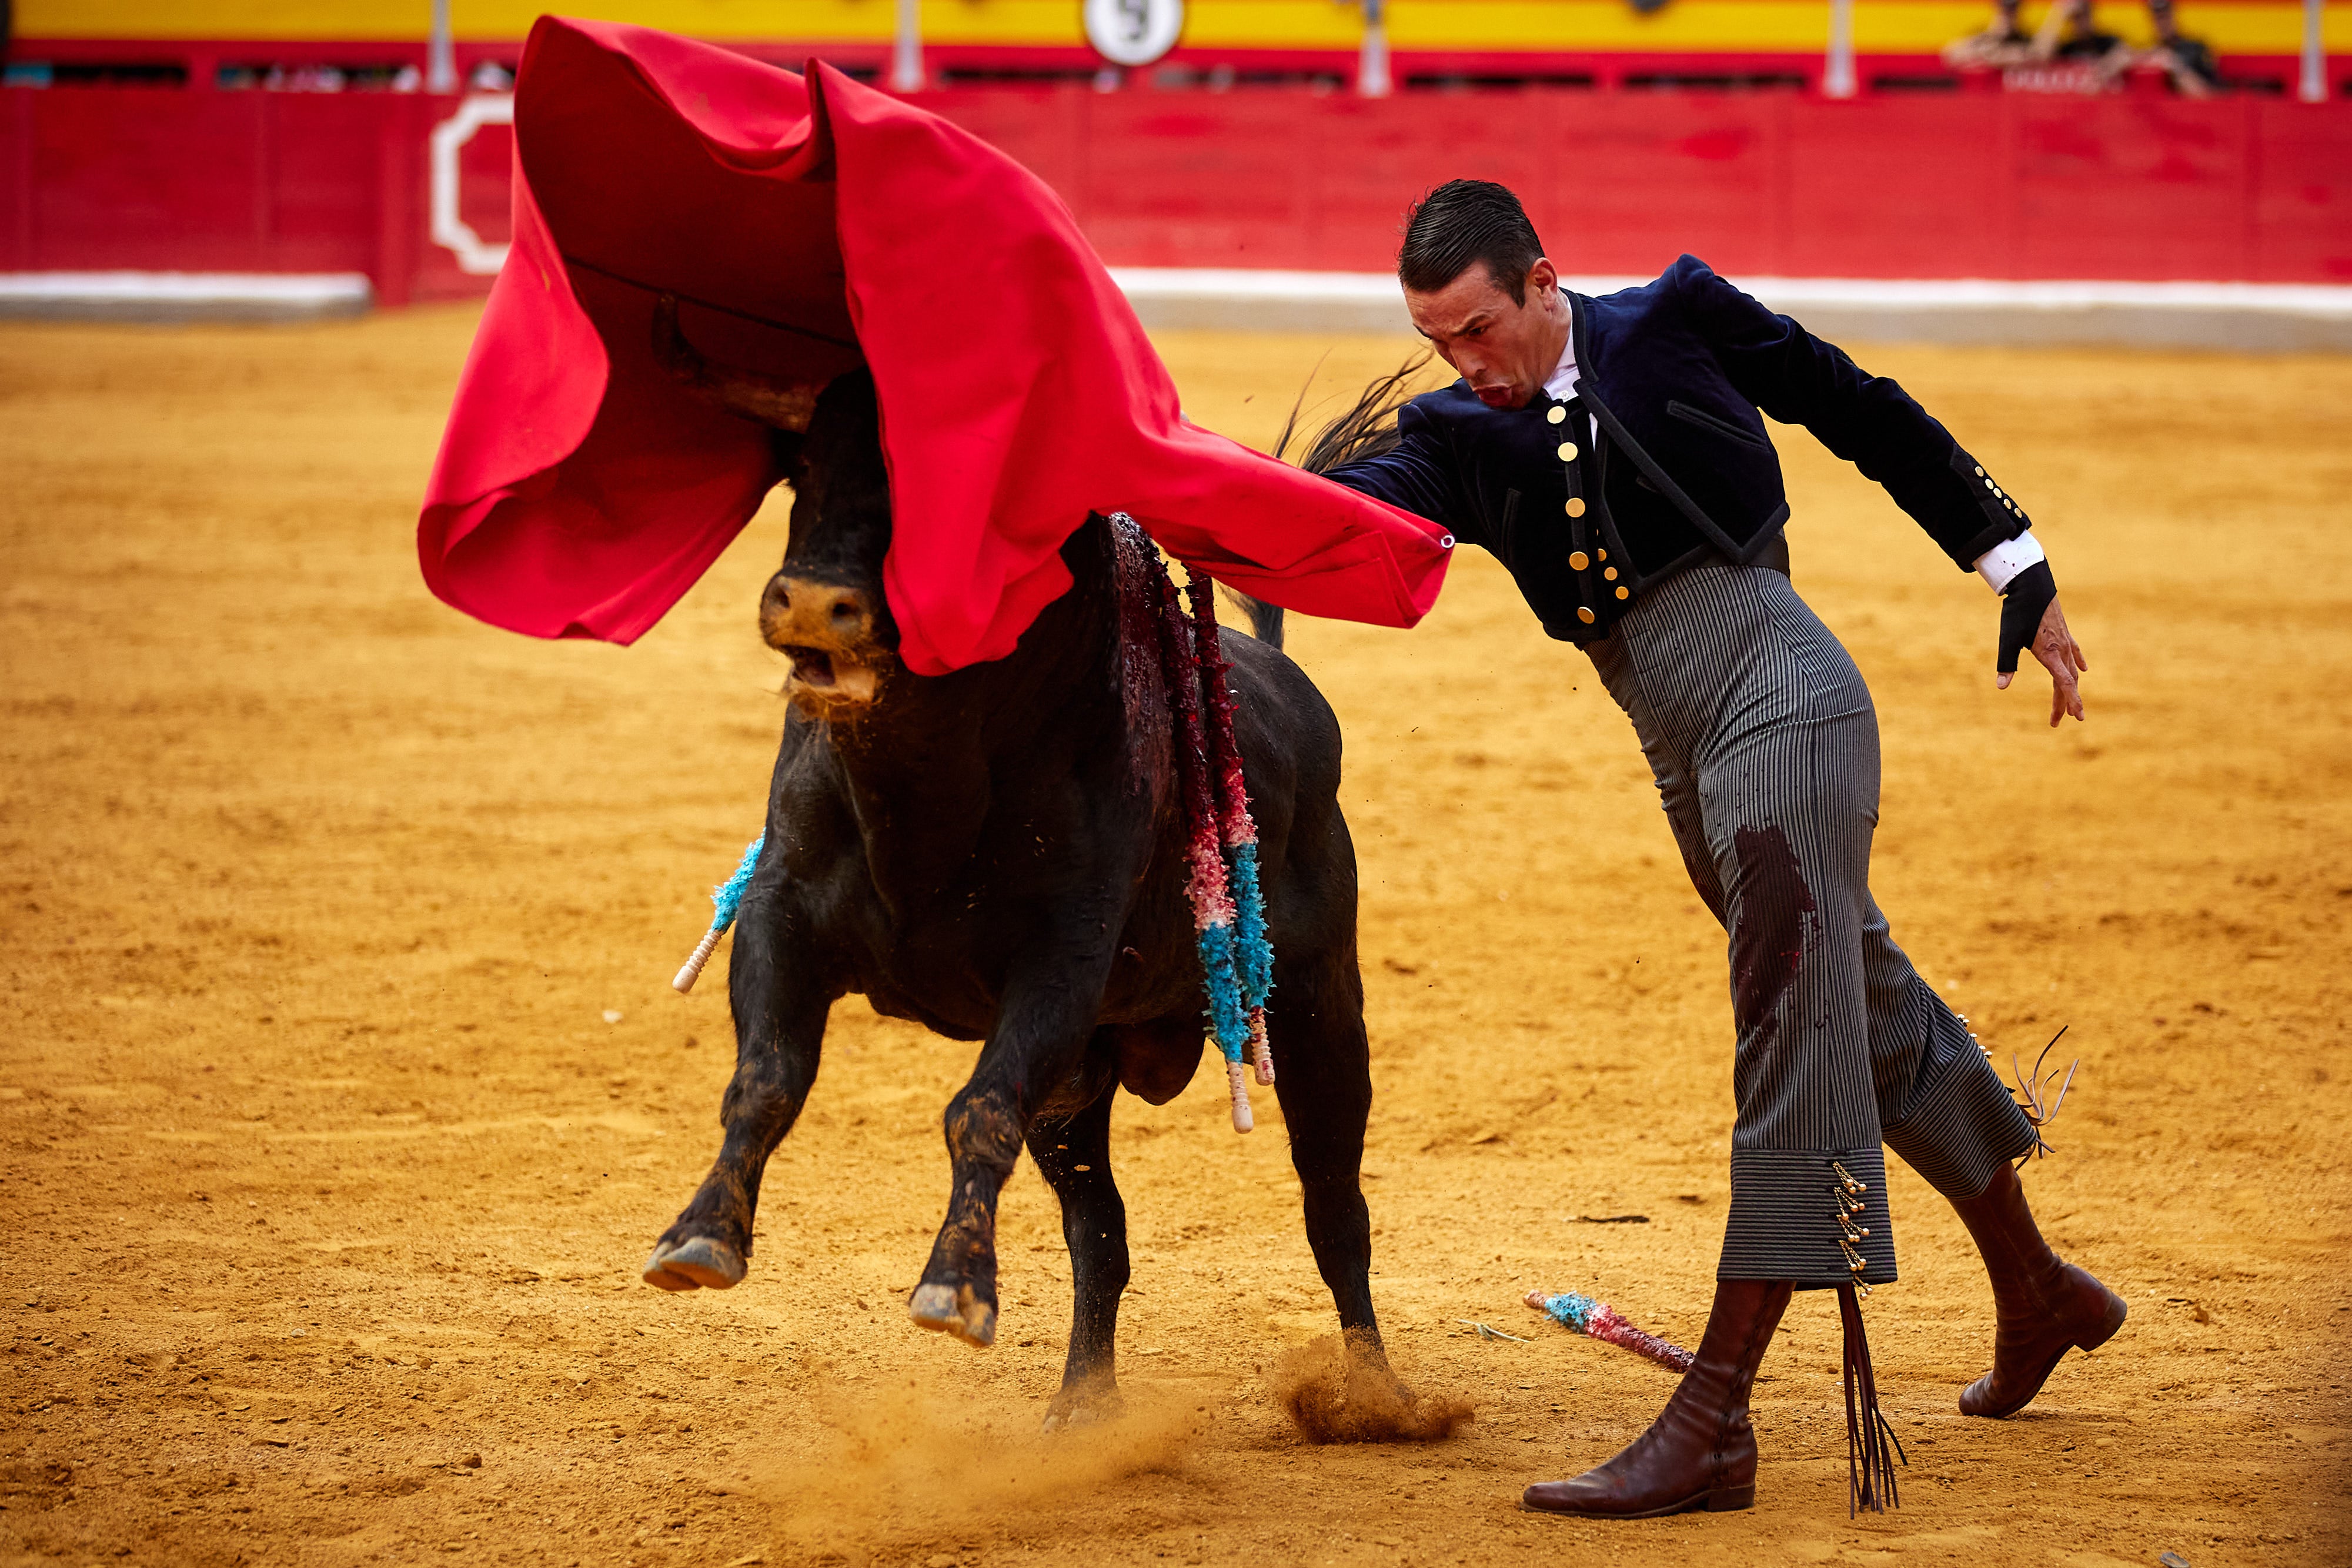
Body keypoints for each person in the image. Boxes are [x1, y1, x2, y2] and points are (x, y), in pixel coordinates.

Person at [1306, 179, 2124, 1519]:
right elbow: (1341, 521)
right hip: (1683, 756)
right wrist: (1176, 497)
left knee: (1787, 1032)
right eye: (1435, 340)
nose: (1463, 362)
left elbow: (1856, 410)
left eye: (1475, 330)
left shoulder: (1673, 317)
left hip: (1785, 698)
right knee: (1851, 1007)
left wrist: (2012, 562)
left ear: (1537, 281)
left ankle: (1713, 1419)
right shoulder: (1452, 433)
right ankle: (2036, 1288)